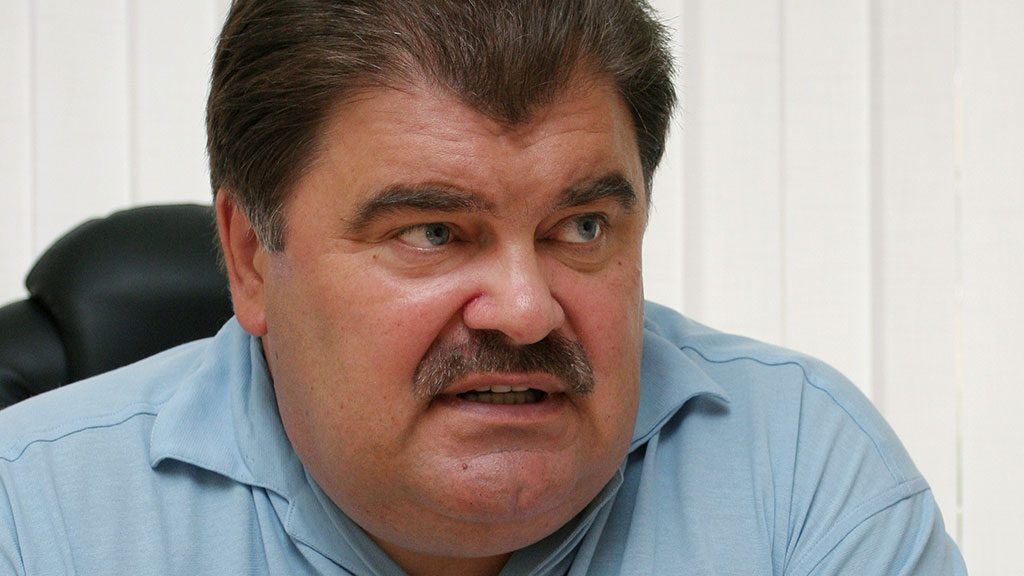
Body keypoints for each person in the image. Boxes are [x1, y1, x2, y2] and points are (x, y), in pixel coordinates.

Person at [0, 0, 967, 574]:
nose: (526, 308)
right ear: (251, 259)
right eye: (432, 232)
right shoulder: (34, 521)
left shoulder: (801, 475)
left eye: (581, 228)